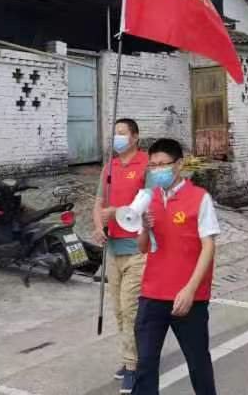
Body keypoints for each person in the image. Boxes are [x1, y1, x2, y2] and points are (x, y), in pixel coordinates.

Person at [131, 138, 219, 395]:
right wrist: (145, 228)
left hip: (188, 298)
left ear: (178, 164)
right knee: (145, 364)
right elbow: (142, 247)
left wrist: (190, 290)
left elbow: (209, 247)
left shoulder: (199, 198)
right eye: (153, 166)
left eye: (162, 165)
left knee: (198, 362)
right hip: (152, 294)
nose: (157, 170)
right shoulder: (147, 199)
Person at [92, 118, 149, 394]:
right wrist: (97, 226)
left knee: (131, 309)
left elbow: (148, 203)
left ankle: (133, 366)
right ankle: (132, 357)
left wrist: (116, 212)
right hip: (112, 250)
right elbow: (98, 203)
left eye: (122, 134)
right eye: (115, 134)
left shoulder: (146, 165)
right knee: (118, 310)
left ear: (135, 137)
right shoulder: (109, 167)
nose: (117, 138)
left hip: (137, 250)